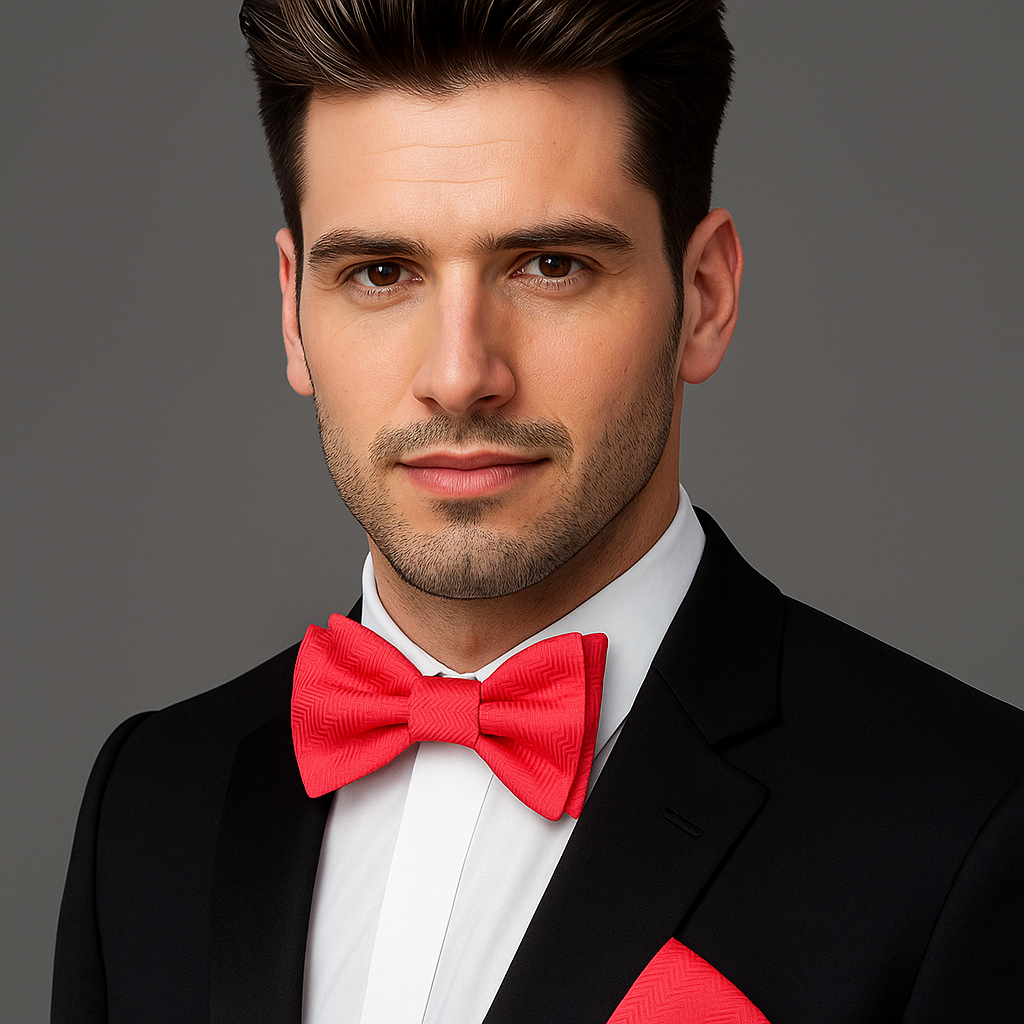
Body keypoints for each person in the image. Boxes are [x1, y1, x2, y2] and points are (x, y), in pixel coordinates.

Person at [52, 2, 1024, 1022]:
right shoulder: (150, 799)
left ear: (703, 296)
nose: (461, 375)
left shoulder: (969, 823)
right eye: (381, 273)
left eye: (550, 265)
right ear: (294, 310)